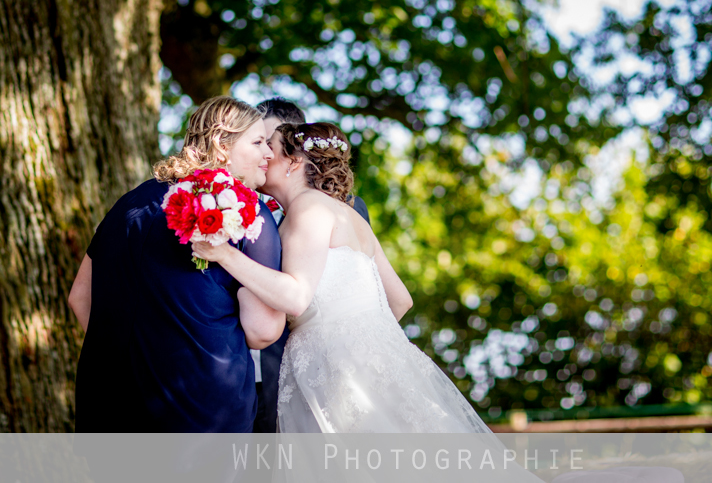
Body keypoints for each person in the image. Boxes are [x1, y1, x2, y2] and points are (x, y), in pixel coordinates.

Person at [191, 121, 496, 433]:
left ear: (295, 162)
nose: (266, 154)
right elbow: (401, 300)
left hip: (335, 375)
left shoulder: (307, 208)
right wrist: (367, 344)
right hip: (381, 365)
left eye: (271, 145)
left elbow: (296, 297)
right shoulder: (346, 213)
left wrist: (224, 255)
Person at [68, 96, 285, 432]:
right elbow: (263, 331)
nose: (268, 154)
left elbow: (80, 298)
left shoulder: (129, 203)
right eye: (258, 142)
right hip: (201, 409)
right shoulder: (247, 211)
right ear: (220, 144)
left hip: (109, 405)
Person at [251, 97, 371, 433]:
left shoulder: (337, 208)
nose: (262, 152)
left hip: (327, 375)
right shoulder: (239, 204)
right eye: (256, 142)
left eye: (269, 142)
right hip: (255, 378)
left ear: (294, 153)